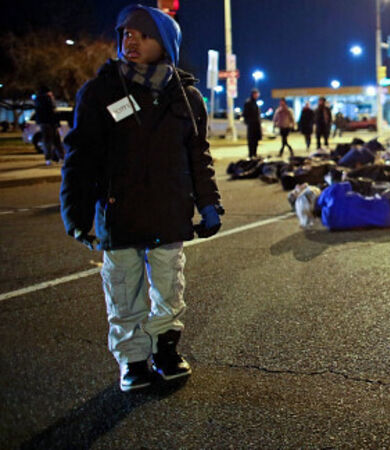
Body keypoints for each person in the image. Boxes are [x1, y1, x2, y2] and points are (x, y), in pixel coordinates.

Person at [59, 4, 223, 392]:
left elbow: (198, 155)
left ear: (165, 44)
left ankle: (166, 350)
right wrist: (76, 215)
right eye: (127, 33)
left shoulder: (187, 96)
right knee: (123, 290)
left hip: (169, 211)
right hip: (119, 213)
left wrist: (209, 203)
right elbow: (81, 158)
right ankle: (133, 360)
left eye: (144, 35)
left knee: (169, 287)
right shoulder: (100, 91)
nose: (131, 41)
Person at [34, 86, 64, 164]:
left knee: (47, 141)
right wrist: (57, 123)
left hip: (43, 123)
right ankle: (61, 157)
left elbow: (38, 113)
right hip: (51, 123)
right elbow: (53, 111)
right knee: (56, 141)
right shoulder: (48, 99)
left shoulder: (37, 100)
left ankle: (48, 159)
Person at [243, 88, 262, 158]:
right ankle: (251, 154)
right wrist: (248, 122)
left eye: (257, 94)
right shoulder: (248, 103)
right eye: (256, 94)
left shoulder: (255, 103)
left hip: (256, 124)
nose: (257, 95)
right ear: (253, 94)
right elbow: (245, 114)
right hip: (252, 125)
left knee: (256, 140)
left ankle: (254, 153)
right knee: (251, 140)